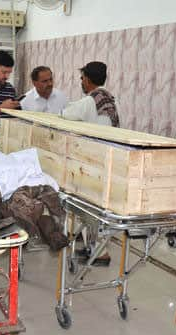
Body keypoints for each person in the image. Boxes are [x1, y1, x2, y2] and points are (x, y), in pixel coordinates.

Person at [61, 61, 120, 266]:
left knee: (88, 207)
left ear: (87, 78)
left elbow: (67, 113)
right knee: (99, 208)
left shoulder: (90, 100)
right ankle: (97, 250)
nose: (81, 82)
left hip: (93, 162)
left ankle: (99, 253)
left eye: (82, 78)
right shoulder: (111, 99)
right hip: (108, 161)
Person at [60, 61, 119, 127]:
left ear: (87, 80)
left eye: (82, 78)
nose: (81, 82)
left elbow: (65, 113)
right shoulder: (113, 100)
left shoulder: (89, 101)